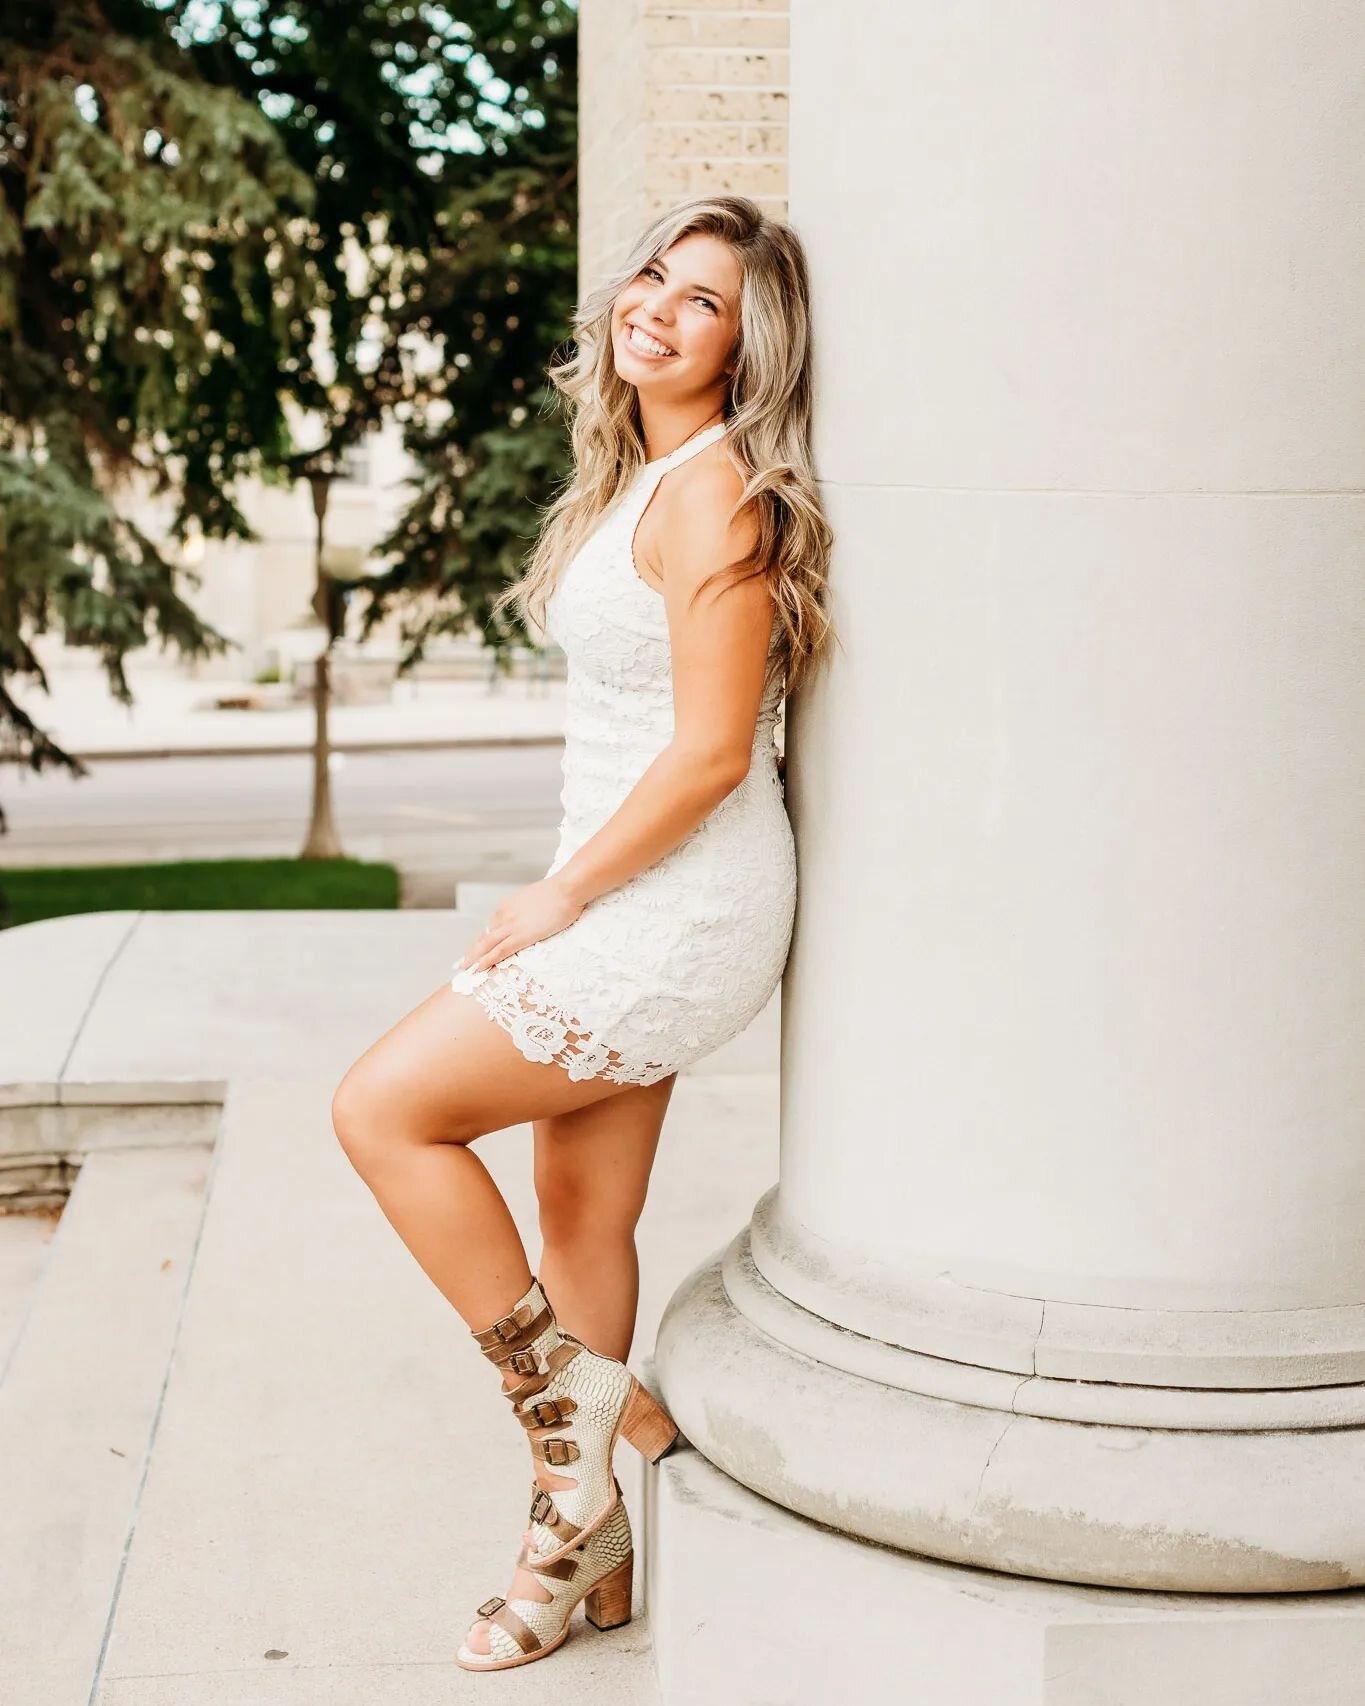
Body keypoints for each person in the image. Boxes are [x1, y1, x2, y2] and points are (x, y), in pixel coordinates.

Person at [332, 193, 836, 1673]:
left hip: (671, 902)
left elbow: (709, 753)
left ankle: (604, 1427)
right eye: (650, 279)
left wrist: (559, 896)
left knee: (381, 1110)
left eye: (700, 302)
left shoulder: (718, 493)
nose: (655, 309)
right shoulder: (644, 474)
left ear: (746, 352)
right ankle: (579, 1550)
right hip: (626, 880)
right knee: (580, 1220)